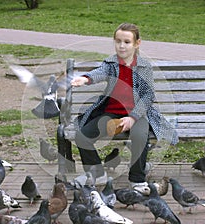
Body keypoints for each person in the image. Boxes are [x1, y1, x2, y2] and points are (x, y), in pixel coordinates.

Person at [71, 23, 178, 193]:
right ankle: (97, 173)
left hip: (139, 114)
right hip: (112, 114)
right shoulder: (111, 63)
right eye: (118, 41)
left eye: (127, 42)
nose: (122, 45)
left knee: (140, 135)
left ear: (137, 43)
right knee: (83, 135)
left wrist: (133, 118)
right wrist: (85, 79)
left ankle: (137, 179)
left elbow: (148, 96)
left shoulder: (144, 67)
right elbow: (99, 72)